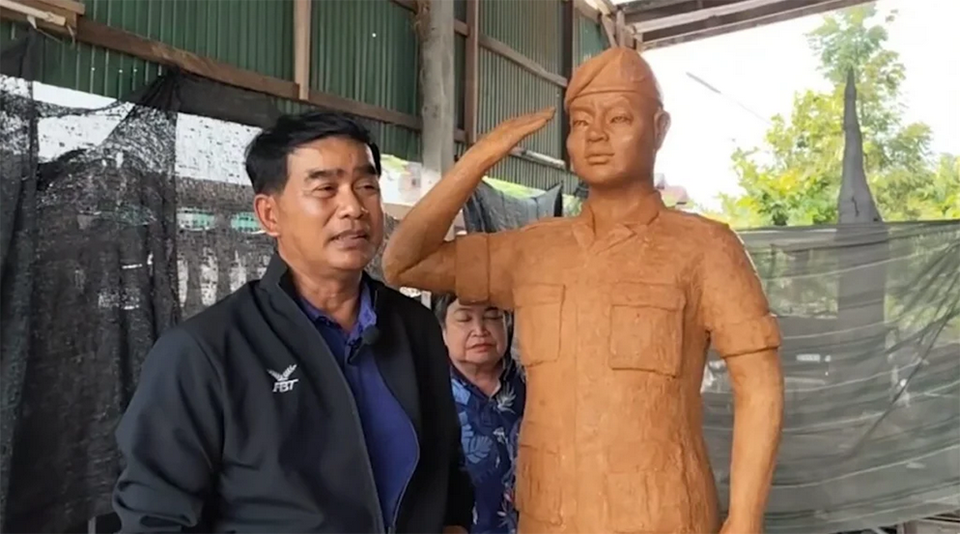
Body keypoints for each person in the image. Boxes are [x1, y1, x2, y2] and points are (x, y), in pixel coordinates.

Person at [382, 46, 784, 534]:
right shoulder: (533, 250)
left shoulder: (705, 248)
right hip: (549, 516)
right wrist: (480, 157)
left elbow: (759, 384)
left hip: (662, 515)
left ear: (659, 128)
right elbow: (404, 263)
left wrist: (745, 517)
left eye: (619, 118)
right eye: (580, 122)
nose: (595, 135)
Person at [112, 111, 474, 534]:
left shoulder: (414, 328)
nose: (354, 208)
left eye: (366, 186)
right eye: (325, 188)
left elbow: (447, 467)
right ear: (270, 215)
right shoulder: (204, 352)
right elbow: (155, 518)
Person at [434, 294, 526, 534]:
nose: (480, 330)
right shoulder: (428, 394)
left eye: (492, 316)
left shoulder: (538, 386)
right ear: (442, 331)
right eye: (464, 319)